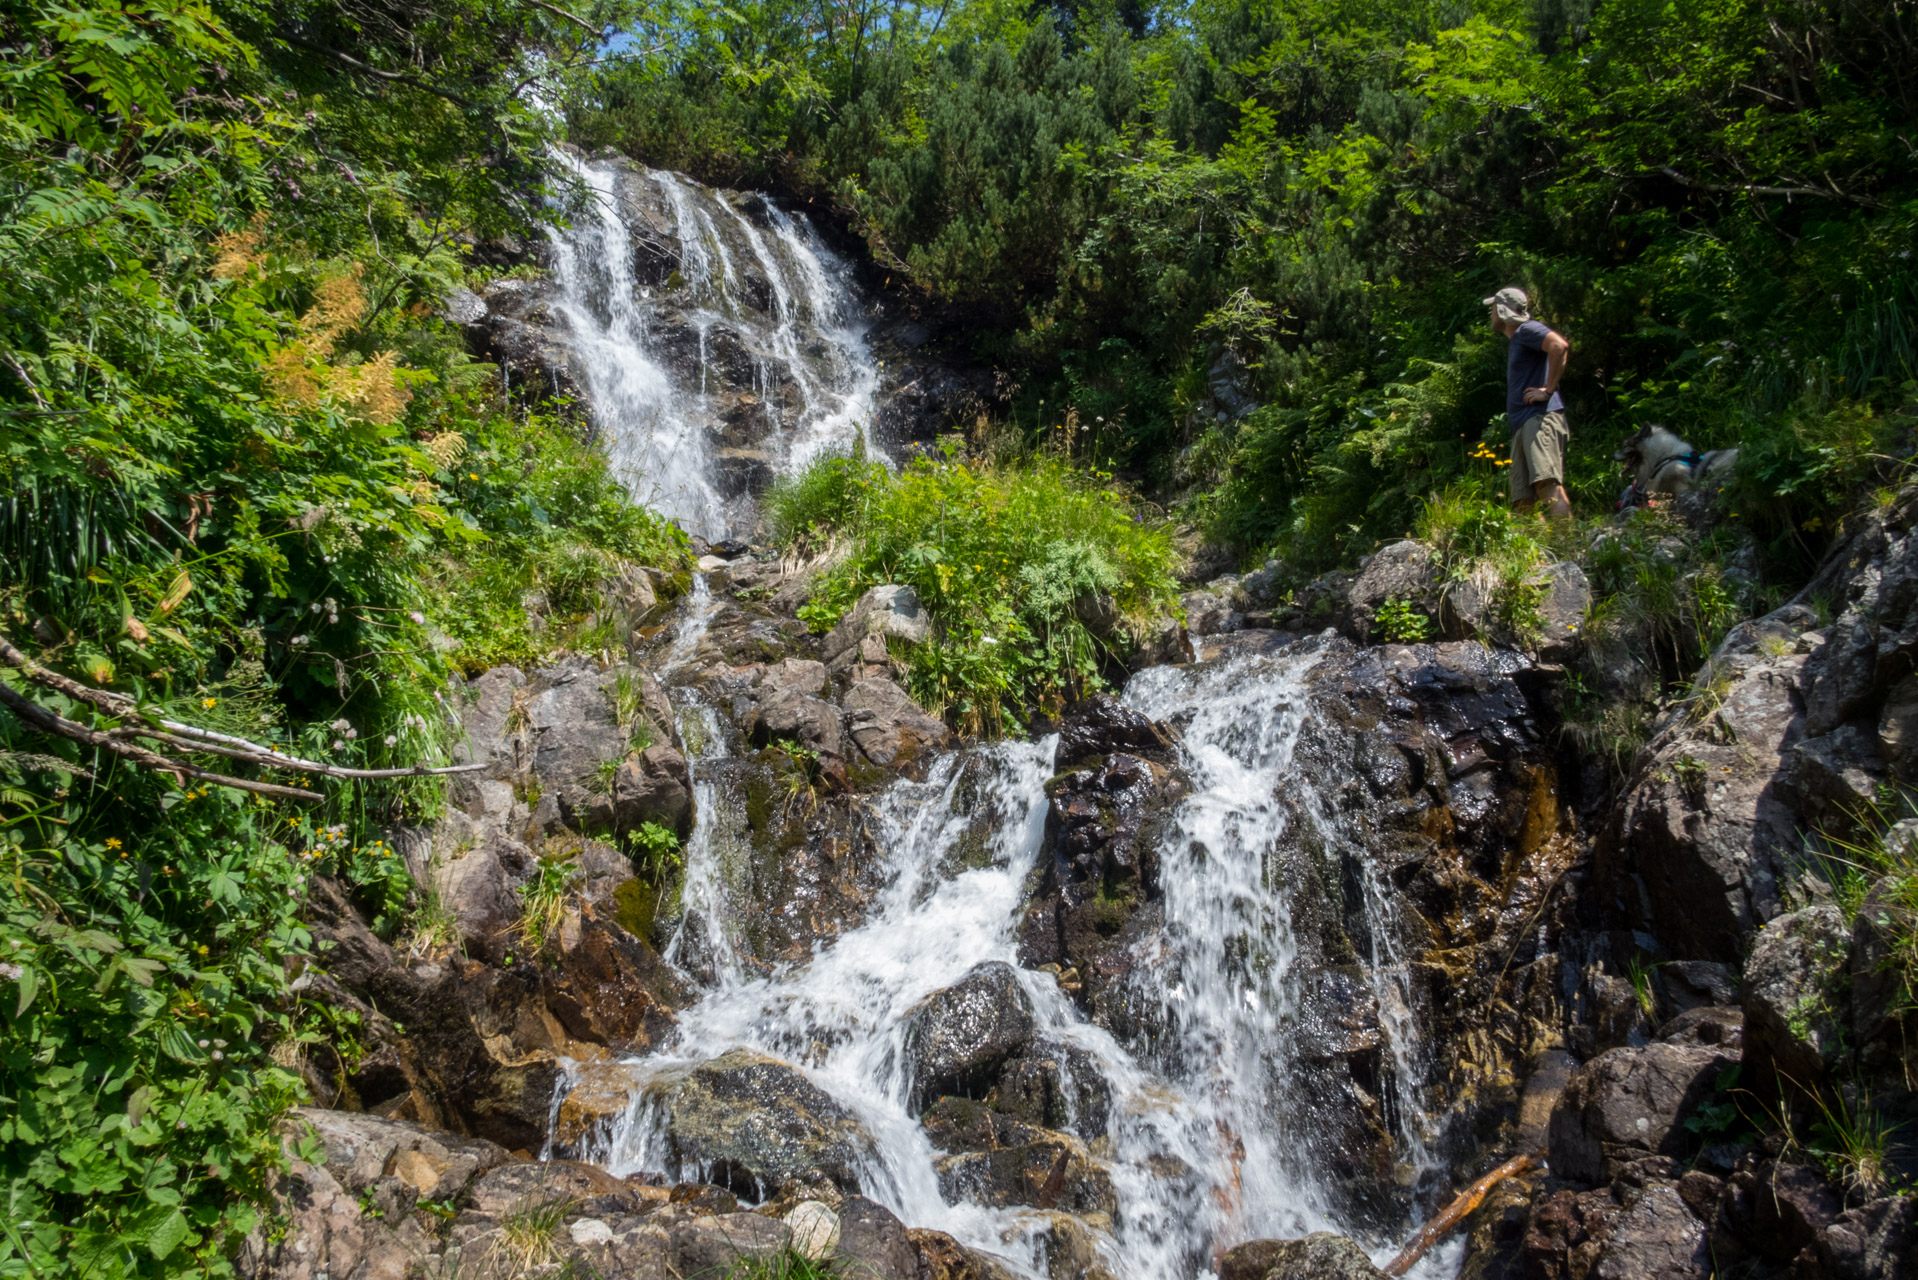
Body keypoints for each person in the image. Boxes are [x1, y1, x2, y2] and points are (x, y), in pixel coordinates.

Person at [1484, 286, 1572, 519]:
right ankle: (1532, 554)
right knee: (1522, 499)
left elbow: (1559, 345)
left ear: (1503, 311)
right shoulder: (1518, 339)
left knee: (1546, 486)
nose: (1490, 313)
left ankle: (1569, 548)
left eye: (1493, 308)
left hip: (1539, 418)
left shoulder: (1526, 330)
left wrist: (1548, 390)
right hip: (1523, 424)